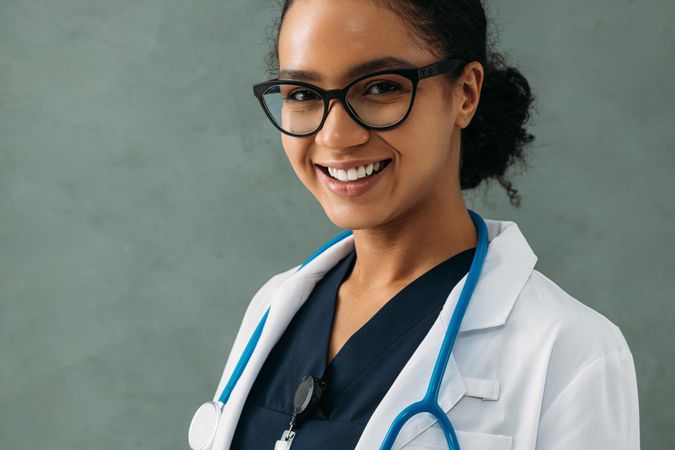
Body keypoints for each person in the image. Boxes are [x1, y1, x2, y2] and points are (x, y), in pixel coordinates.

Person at [193, 0, 640, 448]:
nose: (335, 136)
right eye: (304, 95)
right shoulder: (274, 306)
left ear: (465, 93)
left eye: (381, 87)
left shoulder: (572, 350)